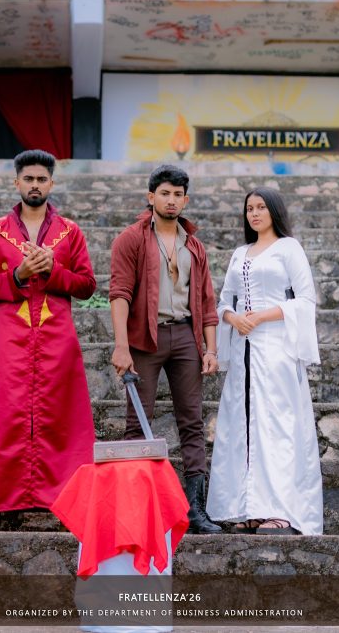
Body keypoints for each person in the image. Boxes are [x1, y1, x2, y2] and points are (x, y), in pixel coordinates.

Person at [0, 149, 96, 530]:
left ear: (51, 183)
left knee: (62, 420)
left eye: (41, 179)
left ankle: (69, 505)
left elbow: (87, 285)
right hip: (9, 340)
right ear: (16, 182)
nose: (35, 185)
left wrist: (54, 271)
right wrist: (17, 275)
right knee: (1, 419)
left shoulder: (70, 232)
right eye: (28, 179)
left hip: (56, 341)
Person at [109, 164, 222, 535]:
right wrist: (122, 346)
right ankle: (135, 513)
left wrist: (210, 349)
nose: (171, 200)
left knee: (192, 423)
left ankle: (195, 511)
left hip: (186, 338)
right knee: (136, 425)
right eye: (165, 193)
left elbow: (206, 301)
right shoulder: (131, 239)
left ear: (185, 200)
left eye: (178, 195)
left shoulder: (194, 246)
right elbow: (119, 293)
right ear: (151, 197)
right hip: (145, 339)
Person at [205, 188, 323, 536]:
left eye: (260, 207)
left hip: (277, 350)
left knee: (277, 426)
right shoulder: (239, 253)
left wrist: (261, 316)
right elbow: (224, 301)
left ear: (274, 211)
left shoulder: (289, 248)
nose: (254, 213)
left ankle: (281, 510)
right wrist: (233, 318)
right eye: (249, 209)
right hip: (245, 351)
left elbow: (305, 299)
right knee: (243, 425)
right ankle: (247, 508)